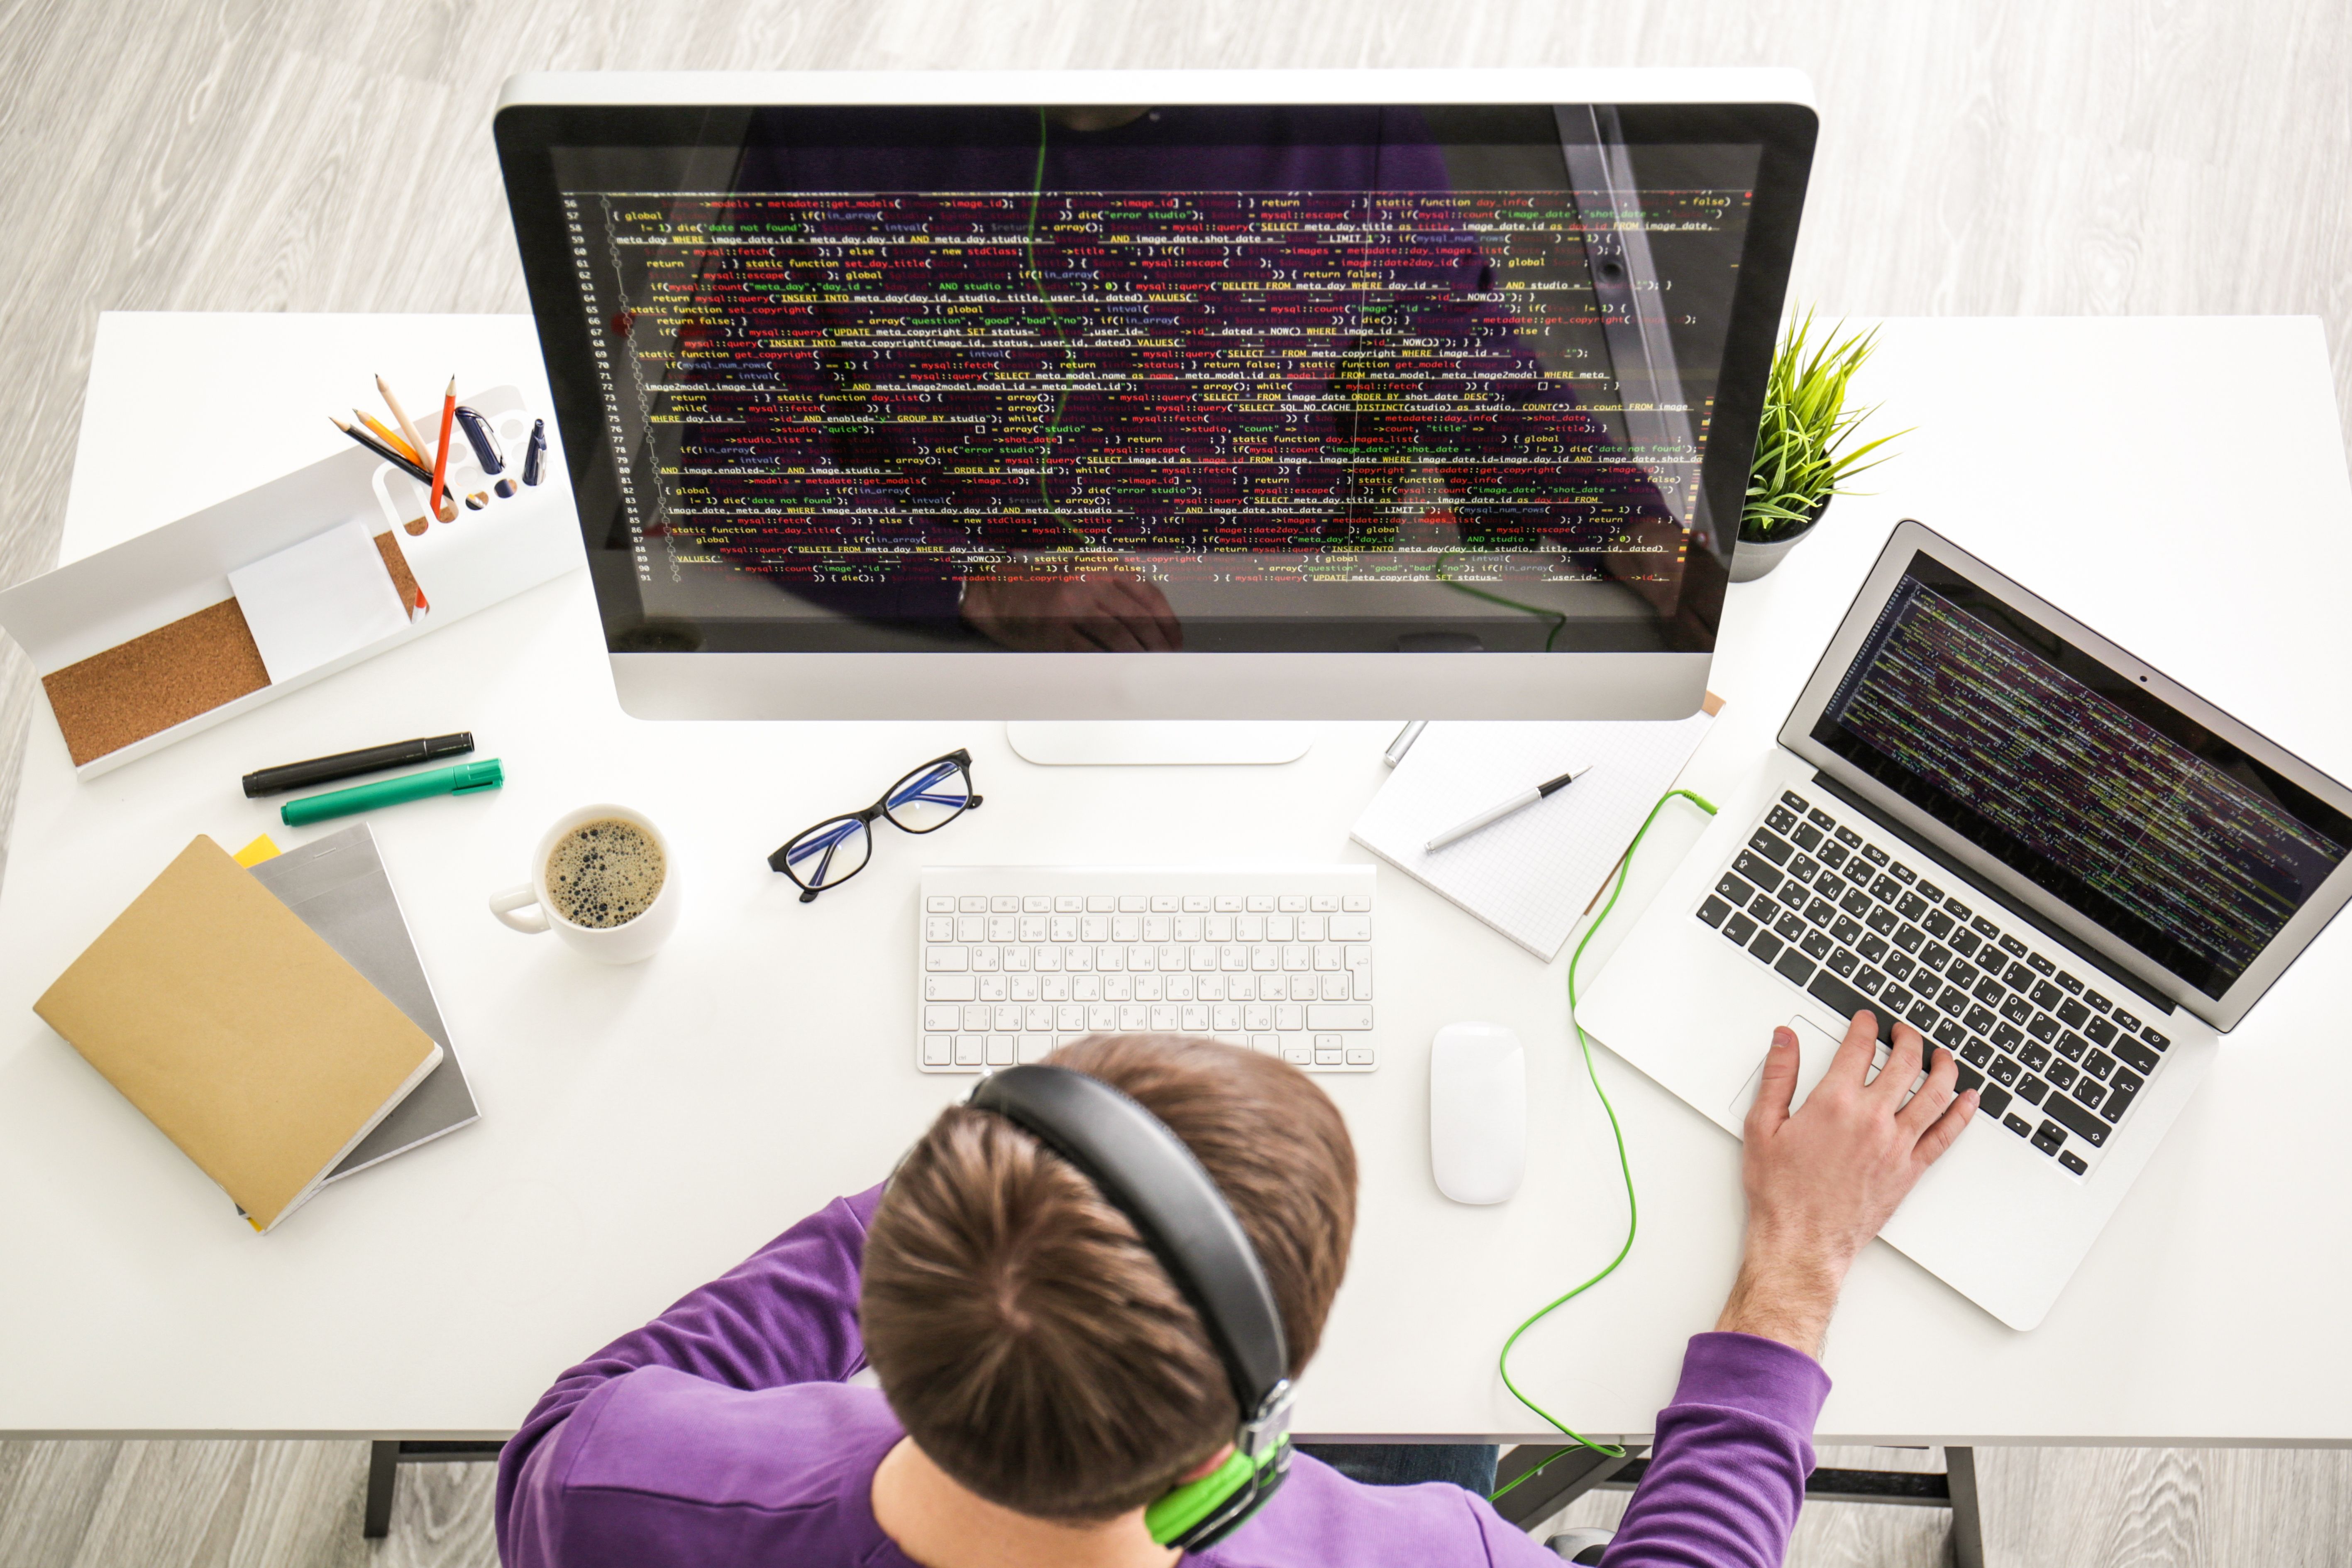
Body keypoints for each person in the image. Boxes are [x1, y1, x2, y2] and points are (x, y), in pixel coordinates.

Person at [496, 1016, 1973, 1568]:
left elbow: (565, 1419)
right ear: (1244, 1446)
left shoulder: (629, 1485)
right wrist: (1797, 1262)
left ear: (893, 1309)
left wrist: (989, 1199)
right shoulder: (1413, 1553)